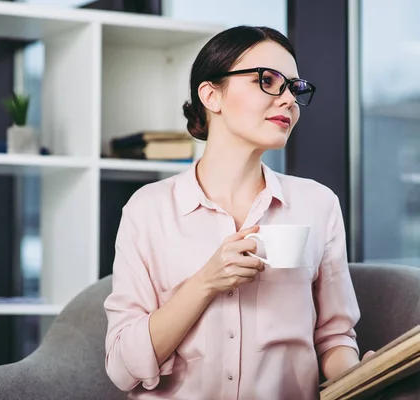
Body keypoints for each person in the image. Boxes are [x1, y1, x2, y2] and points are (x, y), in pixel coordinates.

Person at [104, 25, 369, 400]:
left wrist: (365, 374)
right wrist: (205, 283)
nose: (288, 100)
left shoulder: (317, 205)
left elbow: (334, 337)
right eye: (268, 80)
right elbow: (121, 367)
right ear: (212, 95)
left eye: (294, 87)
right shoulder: (147, 210)